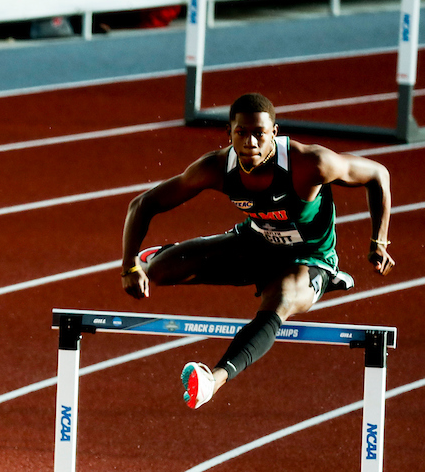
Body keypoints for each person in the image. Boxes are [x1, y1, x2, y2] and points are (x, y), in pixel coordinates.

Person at [121, 92, 394, 409]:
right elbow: (143, 203)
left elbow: (378, 175)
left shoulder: (310, 163)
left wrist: (379, 242)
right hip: (255, 245)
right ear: (229, 133)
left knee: (282, 297)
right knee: (156, 272)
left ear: (274, 133)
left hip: (309, 259)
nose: (250, 142)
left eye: (259, 133)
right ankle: (160, 257)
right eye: (242, 132)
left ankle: (213, 380)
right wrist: (129, 266)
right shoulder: (216, 167)